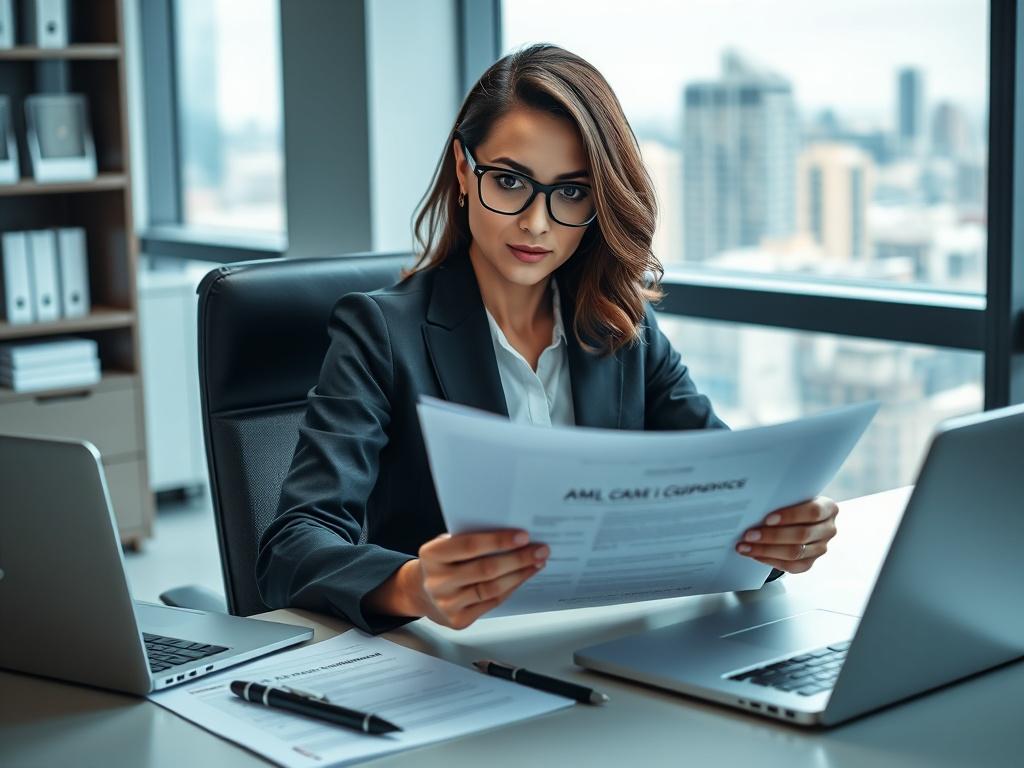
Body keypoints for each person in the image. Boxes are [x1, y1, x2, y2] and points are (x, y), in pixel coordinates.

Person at [256, 44, 839, 635]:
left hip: (603, 651)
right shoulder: (381, 333)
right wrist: (414, 587)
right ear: (463, 171)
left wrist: (780, 535)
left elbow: (728, 500)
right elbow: (290, 549)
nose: (536, 222)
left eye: (571, 191)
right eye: (509, 181)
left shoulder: (624, 330)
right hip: (448, 666)